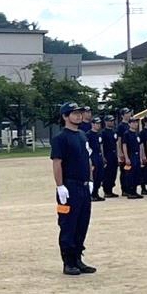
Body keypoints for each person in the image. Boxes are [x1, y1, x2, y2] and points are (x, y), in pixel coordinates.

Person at [51, 102, 95, 276]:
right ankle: (68, 261)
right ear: (65, 116)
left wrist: (90, 179)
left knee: (82, 223)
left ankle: (78, 257)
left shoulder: (83, 135)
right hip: (70, 186)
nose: (78, 116)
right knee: (68, 224)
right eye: (74, 113)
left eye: (79, 113)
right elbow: (57, 163)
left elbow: (88, 159)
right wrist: (60, 186)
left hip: (83, 185)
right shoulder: (60, 138)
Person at [121, 117, 143, 199]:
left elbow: (140, 146)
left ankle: (135, 191)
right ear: (129, 124)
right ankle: (130, 192)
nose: (135, 124)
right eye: (133, 122)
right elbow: (124, 145)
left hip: (137, 155)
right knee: (130, 174)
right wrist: (126, 157)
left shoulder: (137, 134)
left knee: (137, 173)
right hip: (131, 155)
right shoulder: (127, 133)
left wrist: (141, 157)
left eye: (136, 122)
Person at [86, 117, 106, 201]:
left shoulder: (99, 134)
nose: (98, 125)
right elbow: (87, 148)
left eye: (99, 124)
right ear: (92, 124)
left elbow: (101, 146)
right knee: (93, 175)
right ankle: (91, 193)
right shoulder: (88, 134)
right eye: (96, 123)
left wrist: (103, 157)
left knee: (100, 176)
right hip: (93, 156)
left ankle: (96, 193)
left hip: (99, 156)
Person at [101, 115, 120, 198]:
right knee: (107, 173)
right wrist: (103, 156)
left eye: (112, 121)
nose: (111, 122)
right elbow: (101, 145)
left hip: (114, 154)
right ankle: (107, 190)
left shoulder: (114, 132)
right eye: (110, 121)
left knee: (113, 173)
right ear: (105, 122)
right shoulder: (103, 133)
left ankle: (111, 190)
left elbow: (117, 144)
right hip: (107, 154)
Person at [116, 108, 132, 195]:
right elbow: (119, 140)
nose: (128, 114)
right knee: (124, 171)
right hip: (123, 150)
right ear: (122, 115)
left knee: (130, 171)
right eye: (126, 113)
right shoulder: (121, 126)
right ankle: (124, 189)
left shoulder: (130, 125)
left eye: (129, 113)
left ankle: (130, 188)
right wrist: (120, 152)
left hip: (131, 151)